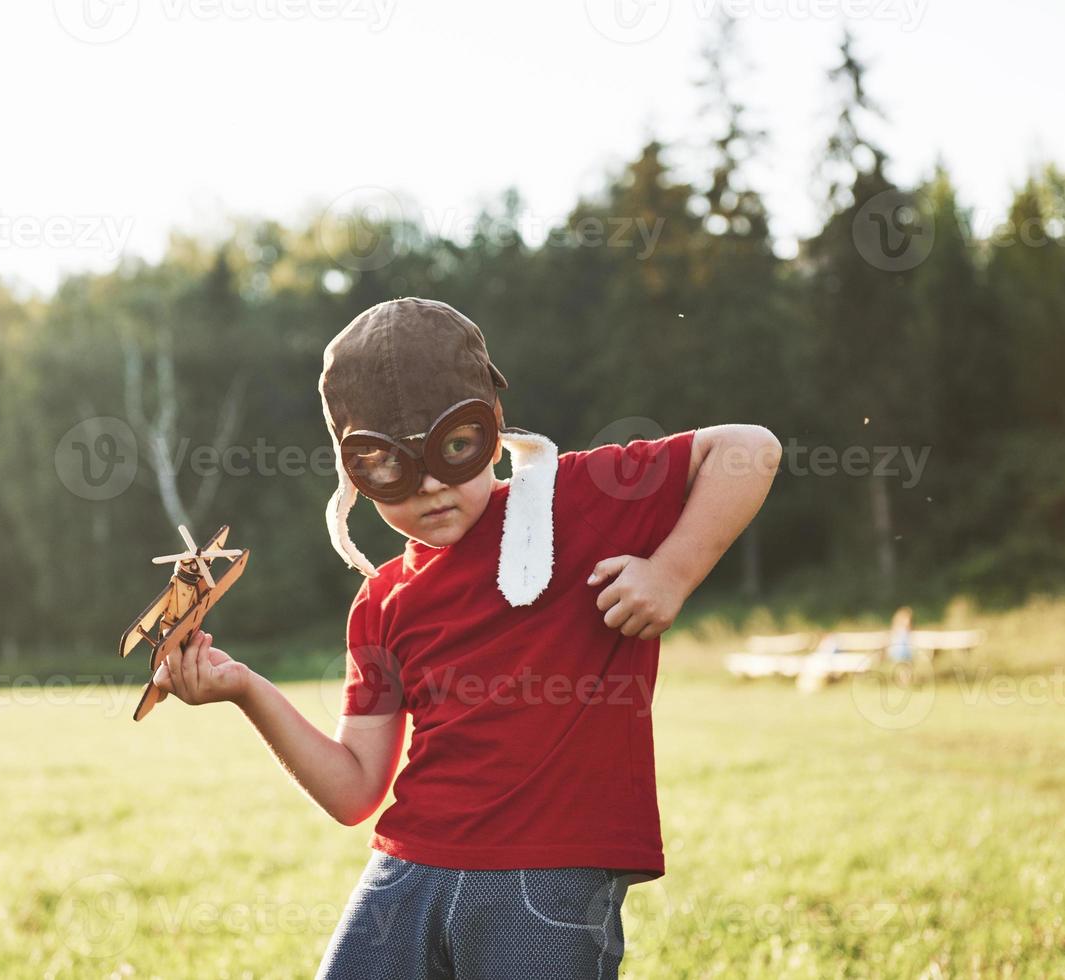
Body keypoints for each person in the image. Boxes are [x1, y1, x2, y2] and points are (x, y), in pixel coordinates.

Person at [150, 298, 781, 978]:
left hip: (546, 875)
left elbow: (748, 448)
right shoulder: (382, 598)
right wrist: (244, 688)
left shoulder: (570, 499)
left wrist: (671, 573)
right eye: (390, 464)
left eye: (451, 448)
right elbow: (355, 791)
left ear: (490, 429)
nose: (426, 486)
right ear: (353, 470)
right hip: (405, 871)